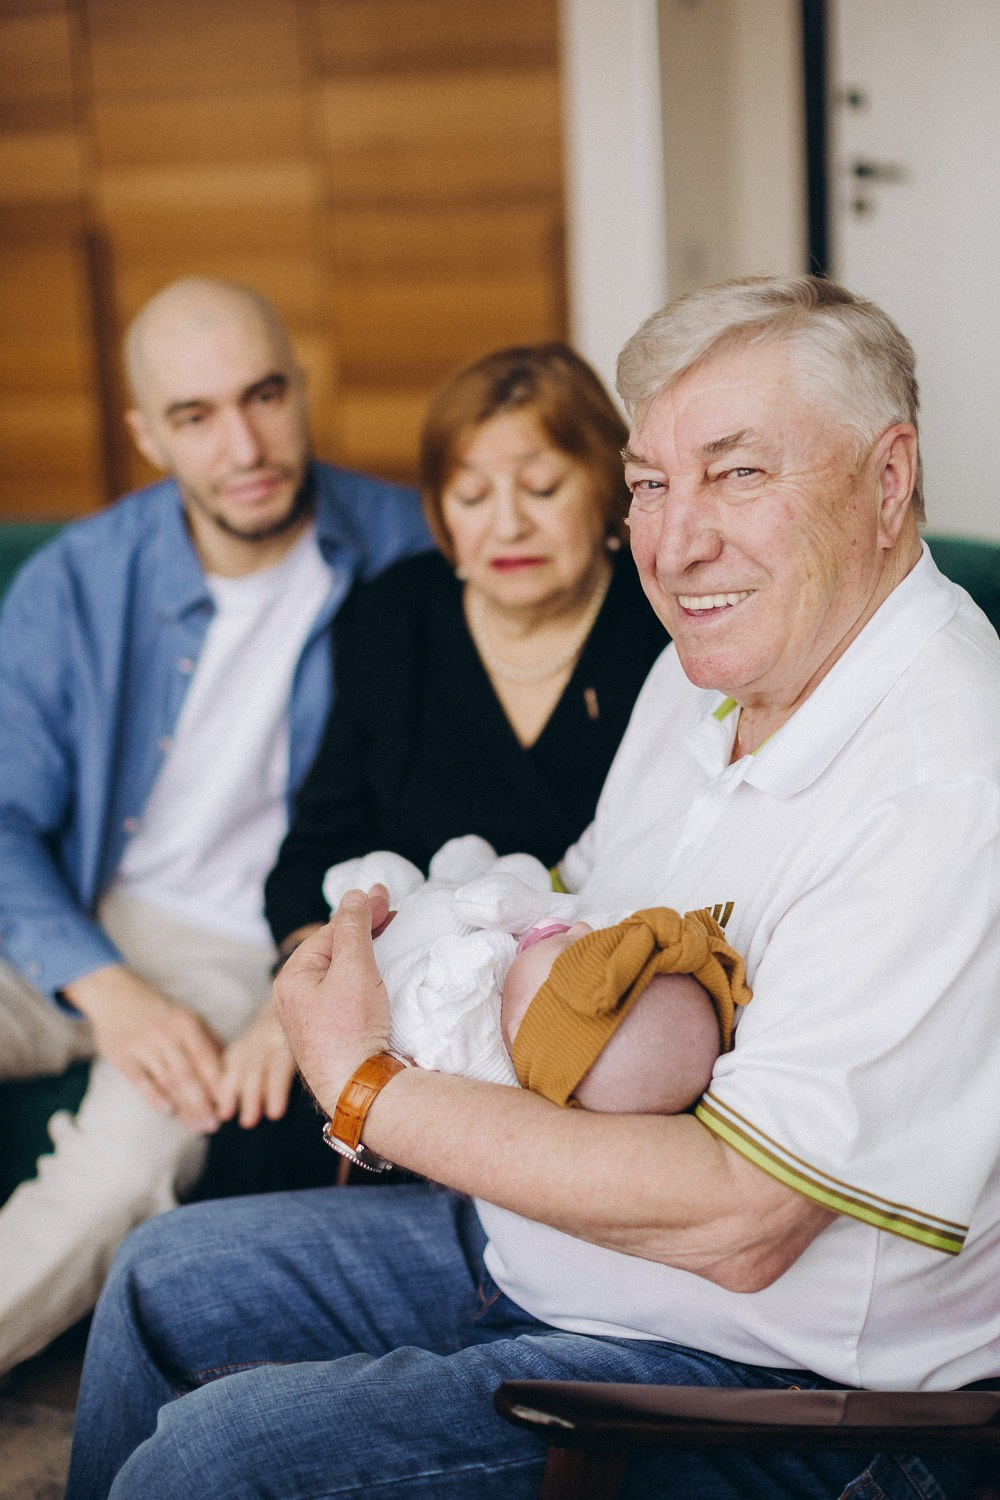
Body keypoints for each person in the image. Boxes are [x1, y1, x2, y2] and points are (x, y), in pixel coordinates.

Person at [66, 275, 1000, 1500]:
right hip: (559, 1252)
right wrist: (426, 937)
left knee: (214, 1464)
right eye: (653, 483)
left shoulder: (946, 775)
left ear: (887, 482)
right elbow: (572, 908)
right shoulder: (705, 671)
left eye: (738, 474)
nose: (673, 542)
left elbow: (741, 1220)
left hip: (764, 1381)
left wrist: (365, 1087)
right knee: (155, 1279)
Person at [0, 276, 430, 1377]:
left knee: (114, 1178)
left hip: (243, 949)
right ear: (148, 435)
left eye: (264, 396)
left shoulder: (413, 554)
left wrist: (306, 986)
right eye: (195, 417)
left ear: (300, 389)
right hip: (74, 907)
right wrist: (108, 987)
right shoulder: (80, 583)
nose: (244, 445)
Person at [195, 341, 668, 1195]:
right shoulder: (394, 618)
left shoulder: (666, 623)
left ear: (607, 486)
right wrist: (315, 996)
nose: (508, 524)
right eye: (473, 494)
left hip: (591, 1031)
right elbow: (310, 860)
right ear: (442, 513)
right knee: (259, 1128)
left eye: (543, 485)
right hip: (395, 1013)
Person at [314, 835, 745, 1123]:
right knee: (505, 873)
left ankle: (376, 882)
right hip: (458, 897)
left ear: (523, 1025)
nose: (580, 931)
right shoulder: (531, 980)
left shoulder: (465, 1051)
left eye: (569, 950)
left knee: (378, 885)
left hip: (390, 939)